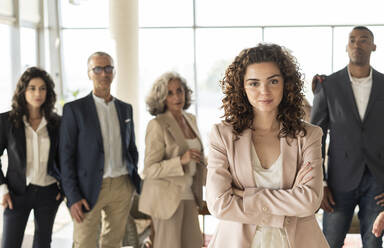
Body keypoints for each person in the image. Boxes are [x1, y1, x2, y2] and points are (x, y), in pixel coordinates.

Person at [206, 44, 329, 248]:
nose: (264, 91)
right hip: (236, 242)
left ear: (285, 84)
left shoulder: (308, 136)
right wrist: (289, 201)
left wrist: (243, 195)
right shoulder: (222, 135)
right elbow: (218, 204)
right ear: (242, 87)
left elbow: (309, 201)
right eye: (254, 83)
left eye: (273, 81)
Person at [311, 26, 384, 247]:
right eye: (352, 40)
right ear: (346, 47)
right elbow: (315, 138)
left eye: (363, 40)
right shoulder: (328, 86)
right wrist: (320, 182)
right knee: (330, 242)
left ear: (373, 46)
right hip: (337, 182)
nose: (357, 44)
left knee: (374, 243)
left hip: (377, 180)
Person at [60, 51, 141, 248]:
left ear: (113, 72)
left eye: (108, 68)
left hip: (122, 185)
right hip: (88, 188)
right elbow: (66, 157)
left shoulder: (125, 109)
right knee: (84, 242)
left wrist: (132, 179)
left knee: (113, 243)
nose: (104, 73)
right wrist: (73, 197)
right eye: (97, 69)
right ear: (89, 73)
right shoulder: (74, 110)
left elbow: (131, 148)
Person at [138, 72, 206, 248]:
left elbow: (198, 158)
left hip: (189, 194)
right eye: (170, 93)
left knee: (194, 243)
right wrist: (180, 161)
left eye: (180, 91)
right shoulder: (157, 125)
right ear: (161, 97)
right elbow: (149, 169)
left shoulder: (190, 119)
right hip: (166, 199)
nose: (177, 96)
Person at [0, 67, 62, 248]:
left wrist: (63, 188)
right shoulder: (6, 122)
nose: (38, 93)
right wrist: (3, 189)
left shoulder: (57, 124)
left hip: (49, 193)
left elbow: (67, 157)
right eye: (32, 88)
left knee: (43, 244)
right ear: (23, 91)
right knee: (9, 244)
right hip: (16, 193)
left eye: (43, 88)